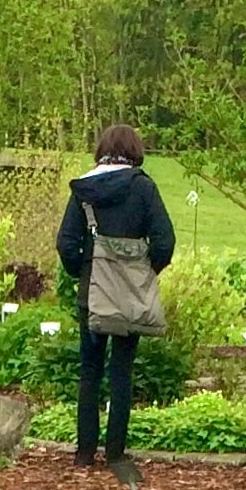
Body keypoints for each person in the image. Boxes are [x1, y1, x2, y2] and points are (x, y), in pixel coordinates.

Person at [56, 123, 176, 466]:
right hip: (129, 297)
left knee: (90, 370)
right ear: (135, 151)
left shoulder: (84, 189)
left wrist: (83, 271)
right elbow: (165, 242)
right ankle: (115, 453)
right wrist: (144, 273)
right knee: (122, 370)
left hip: (92, 294)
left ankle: (83, 453)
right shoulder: (144, 189)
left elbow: (66, 243)